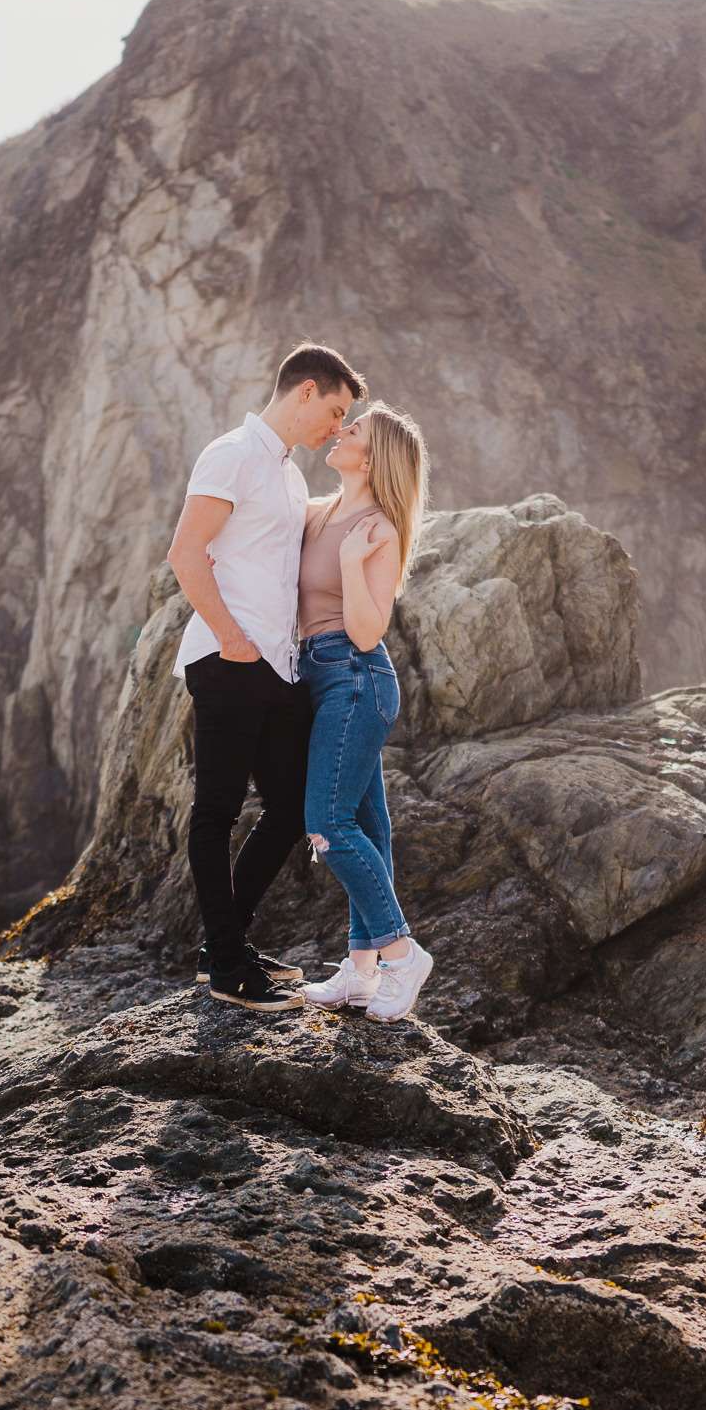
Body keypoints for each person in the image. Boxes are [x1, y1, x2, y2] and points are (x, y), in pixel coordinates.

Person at [166, 341, 368, 1012]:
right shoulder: (232, 453)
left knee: (288, 809)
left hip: (273, 667)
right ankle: (225, 967)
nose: (335, 427)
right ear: (302, 391)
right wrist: (231, 640)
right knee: (217, 811)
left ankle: (223, 947)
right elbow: (185, 553)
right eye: (334, 409)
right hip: (227, 658)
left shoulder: (284, 473)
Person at [296, 403, 434, 1023]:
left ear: (374, 457)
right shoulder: (319, 512)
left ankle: (403, 955)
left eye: (354, 430)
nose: (341, 431)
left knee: (326, 822)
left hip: (355, 679)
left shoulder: (376, 529)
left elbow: (365, 629)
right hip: (320, 678)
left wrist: (353, 563)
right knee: (367, 829)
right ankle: (360, 971)